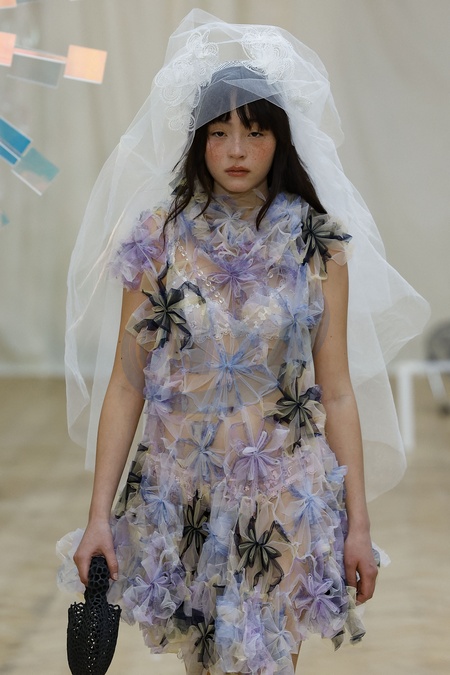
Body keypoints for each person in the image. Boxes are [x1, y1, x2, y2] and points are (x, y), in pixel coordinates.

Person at [57, 10, 429, 675]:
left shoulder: (317, 242)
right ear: (198, 140)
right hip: (183, 496)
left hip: (285, 494)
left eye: (255, 131)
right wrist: (99, 517)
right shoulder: (157, 238)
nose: (236, 149)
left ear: (278, 141)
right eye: (220, 131)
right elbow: (126, 383)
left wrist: (359, 525)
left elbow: (338, 389)